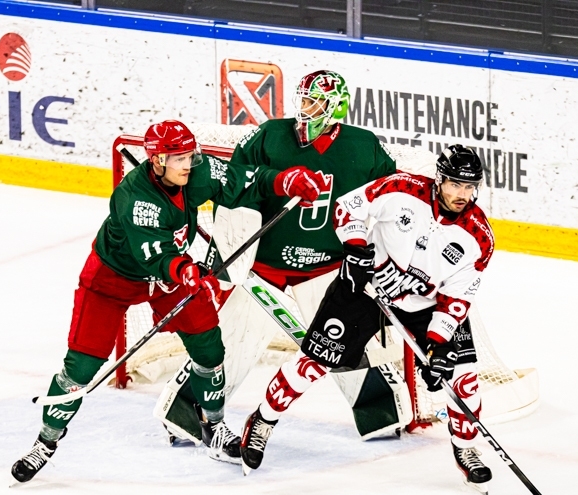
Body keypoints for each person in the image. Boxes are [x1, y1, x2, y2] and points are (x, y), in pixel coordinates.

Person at [10, 119, 323, 483]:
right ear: (157, 161)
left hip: (172, 276)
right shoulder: (134, 197)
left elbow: (243, 181)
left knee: (209, 346)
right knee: (80, 367)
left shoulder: (195, 172)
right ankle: (45, 442)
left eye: (189, 155)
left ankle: (214, 428)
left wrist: (282, 182)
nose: (187, 164)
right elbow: (155, 255)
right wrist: (186, 270)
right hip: (113, 280)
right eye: (177, 158)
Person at [156, 69, 411, 445]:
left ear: (334, 106)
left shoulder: (363, 146)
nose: (304, 109)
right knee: (230, 341)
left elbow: (391, 199)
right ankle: (187, 414)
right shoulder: (271, 135)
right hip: (264, 266)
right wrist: (225, 251)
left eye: (314, 101)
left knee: (346, 341)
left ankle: (382, 413)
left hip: (327, 267)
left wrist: (381, 254)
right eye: (303, 99)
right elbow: (233, 183)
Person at [241, 145, 496, 493]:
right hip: (364, 286)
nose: (462, 195)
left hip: (427, 306)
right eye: (455, 185)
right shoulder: (402, 189)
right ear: (440, 179)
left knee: (461, 376)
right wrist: (357, 247)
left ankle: (465, 448)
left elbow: (457, 297)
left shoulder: (479, 237)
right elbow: (348, 207)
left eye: (469, 187)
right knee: (313, 363)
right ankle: (262, 420)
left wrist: (437, 345)